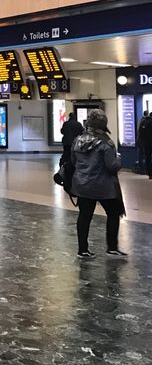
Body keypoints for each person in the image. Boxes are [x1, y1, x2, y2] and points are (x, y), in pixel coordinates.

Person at [71, 109, 126, 258]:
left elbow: (73, 162)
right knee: (114, 213)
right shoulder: (106, 143)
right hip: (103, 186)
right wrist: (119, 159)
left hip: (82, 185)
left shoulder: (78, 140)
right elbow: (111, 166)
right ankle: (112, 248)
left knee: (84, 216)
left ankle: (83, 250)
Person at [139, 111, 152, 179]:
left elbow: (140, 132)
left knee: (147, 158)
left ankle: (149, 173)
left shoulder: (144, 122)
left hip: (146, 143)